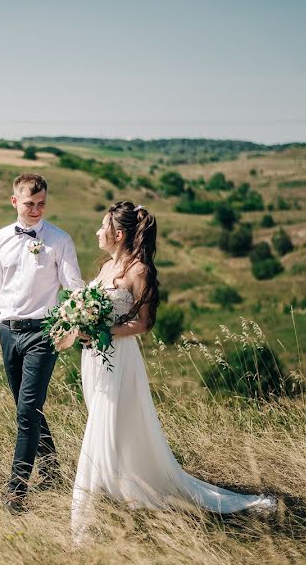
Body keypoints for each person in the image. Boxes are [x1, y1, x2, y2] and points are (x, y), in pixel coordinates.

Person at [59, 201, 276, 541]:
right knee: (107, 424)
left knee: (101, 427)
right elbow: (89, 307)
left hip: (118, 358)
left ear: (118, 234)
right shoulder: (105, 267)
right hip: (93, 359)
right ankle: (123, 490)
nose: (97, 232)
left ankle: (85, 519)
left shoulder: (139, 271)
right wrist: (76, 327)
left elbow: (143, 323)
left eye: (103, 228)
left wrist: (106, 332)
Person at [0, 173, 82, 514]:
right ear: (14, 202)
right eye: (29, 204)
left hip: (43, 334)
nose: (36, 210)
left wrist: (78, 316)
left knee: (26, 411)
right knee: (27, 408)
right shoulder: (0, 239)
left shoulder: (59, 240)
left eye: (41, 204)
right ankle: (50, 470)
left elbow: (73, 285)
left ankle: (16, 491)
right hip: (8, 331)